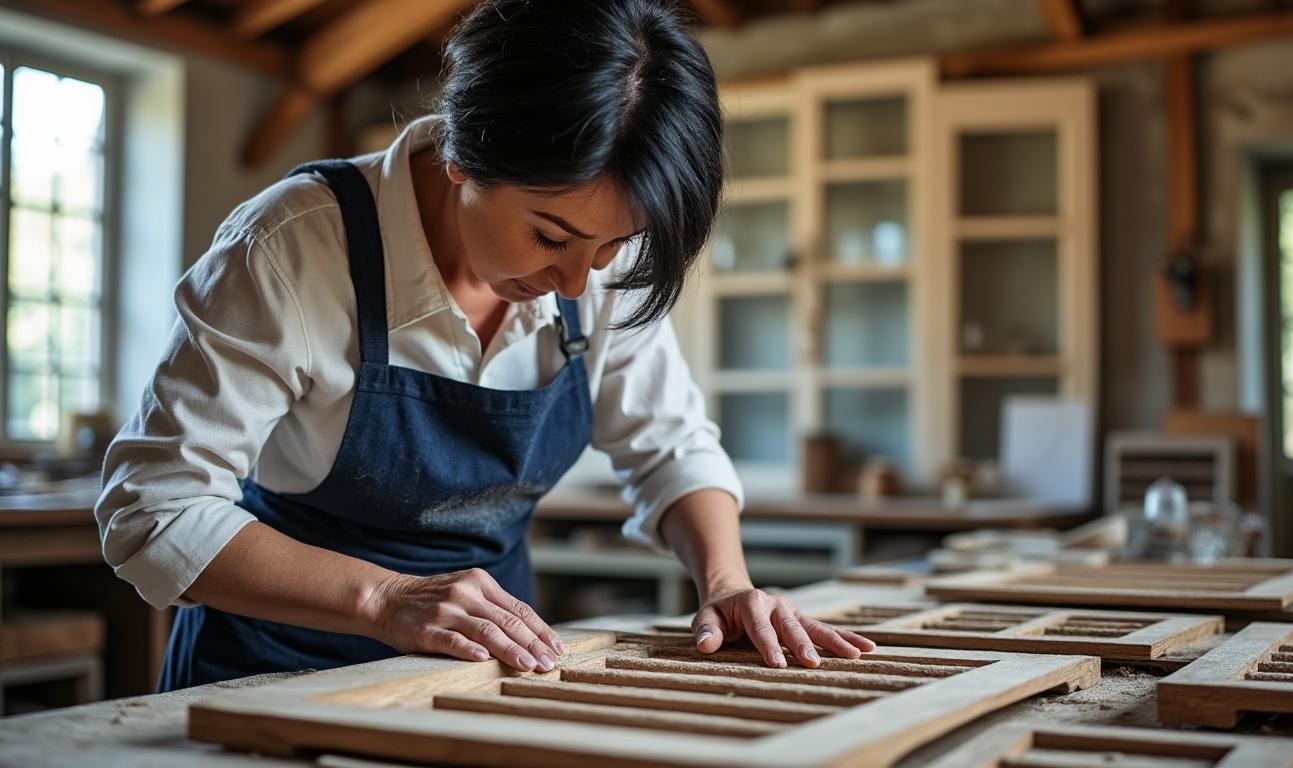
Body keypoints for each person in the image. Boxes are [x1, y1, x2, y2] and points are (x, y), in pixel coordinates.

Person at [97, 0, 874, 692]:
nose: (578, 284)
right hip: (266, 674)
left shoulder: (596, 258)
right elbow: (152, 511)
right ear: (464, 156)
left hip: (483, 679)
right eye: (550, 236)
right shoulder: (291, 250)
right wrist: (386, 598)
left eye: (610, 250)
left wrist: (726, 580)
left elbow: (671, 448)